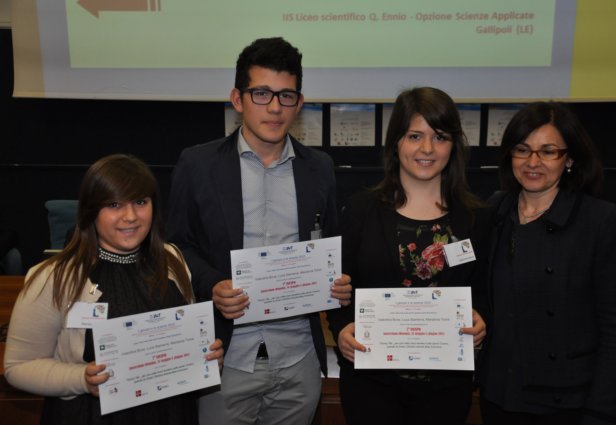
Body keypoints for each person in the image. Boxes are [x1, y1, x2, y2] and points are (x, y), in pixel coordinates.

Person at [167, 37, 352, 425]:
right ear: (238, 99)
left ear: (299, 103)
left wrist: (336, 282)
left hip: (299, 357)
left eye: (286, 96)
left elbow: (330, 247)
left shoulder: (319, 168)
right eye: (262, 93)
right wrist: (212, 284)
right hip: (226, 356)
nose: (275, 107)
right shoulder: (198, 165)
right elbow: (178, 245)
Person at [4, 154, 223, 425]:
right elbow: (18, 367)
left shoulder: (172, 259)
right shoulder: (54, 277)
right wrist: (82, 379)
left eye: (140, 202)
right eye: (114, 204)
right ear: (91, 211)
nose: (130, 216)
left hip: (170, 413)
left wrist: (204, 356)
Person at [326, 87, 490, 425]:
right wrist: (341, 330)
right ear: (396, 142)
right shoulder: (360, 211)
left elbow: (486, 291)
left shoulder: (476, 218)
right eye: (415, 136)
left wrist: (482, 320)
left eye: (440, 137)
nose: (427, 148)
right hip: (371, 385)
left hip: (446, 388)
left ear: (454, 145)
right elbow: (338, 289)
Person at [479, 102, 616, 425]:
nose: (533, 162)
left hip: (566, 403)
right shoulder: (495, 210)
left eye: (548, 151)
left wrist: (602, 413)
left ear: (570, 159)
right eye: (522, 149)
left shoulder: (600, 221)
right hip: (499, 394)